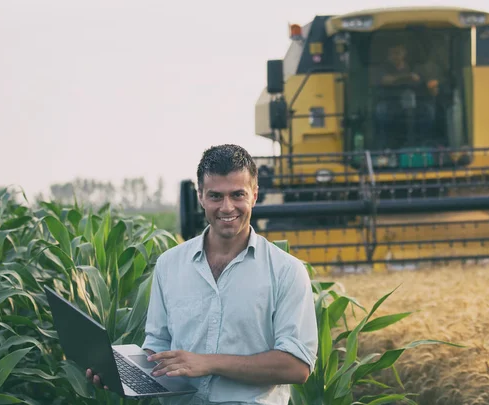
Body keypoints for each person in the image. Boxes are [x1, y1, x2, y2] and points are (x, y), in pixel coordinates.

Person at [87, 144, 318, 405]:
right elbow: (158, 346)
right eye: (216, 196)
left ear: (254, 195)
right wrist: (120, 373)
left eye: (237, 195)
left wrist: (208, 363)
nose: (227, 207)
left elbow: (297, 366)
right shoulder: (169, 265)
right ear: (200, 196)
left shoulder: (286, 271)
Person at [372, 43, 438, 148]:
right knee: (380, 110)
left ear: (404, 53)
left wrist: (432, 87)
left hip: (417, 104)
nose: (395, 56)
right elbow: (385, 80)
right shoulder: (383, 68)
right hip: (391, 103)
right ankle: (384, 147)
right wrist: (407, 77)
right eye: (392, 54)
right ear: (388, 56)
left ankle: (425, 144)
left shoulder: (416, 67)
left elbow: (431, 85)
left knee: (429, 111)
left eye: (398, 53)